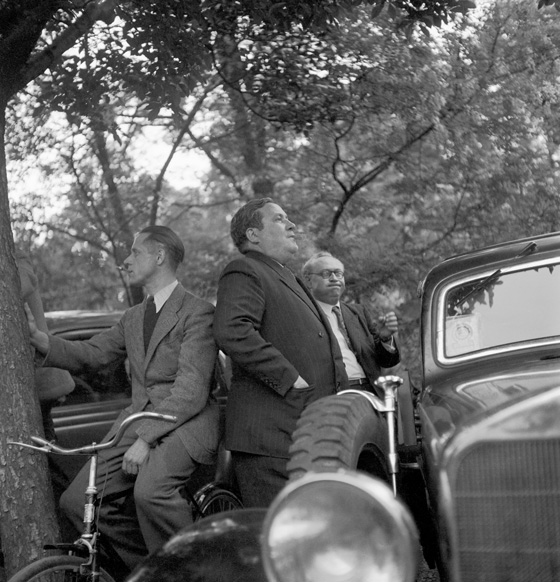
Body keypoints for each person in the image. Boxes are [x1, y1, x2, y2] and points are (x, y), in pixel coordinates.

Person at [26, 226, 220, 573]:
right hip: (138, 419)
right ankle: (149, 568)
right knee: (76, 502)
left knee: (151, 492)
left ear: (159, 256)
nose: (126, 261)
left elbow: (191, 392)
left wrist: (145, 439)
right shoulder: (133, 317)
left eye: (135, 252)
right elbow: (93, 353)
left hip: (185, 422)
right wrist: (43, 341)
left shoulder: (198, 312)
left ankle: (193, 571)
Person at [213, 198, 348, 508]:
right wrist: (290, 379)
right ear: (253, 235)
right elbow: (232, 330)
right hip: (272, 439)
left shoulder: (289, 276)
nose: (291, 224)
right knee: (283, 531)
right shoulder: (244, 269)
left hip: (306, 434)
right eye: (278, 219)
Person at [302, 251, 400, 396]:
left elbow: (387, 362)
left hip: (370, 391)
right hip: (332, 394)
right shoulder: (302, 315)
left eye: (338, 273)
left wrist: (385, 339)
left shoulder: (358, 313)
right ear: (308, 281)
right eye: (326, 274)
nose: (334, 278)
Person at [16, 253, 75, 441]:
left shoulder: (13, 257)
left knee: (40, 434)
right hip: (31, 379)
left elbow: (22, 283)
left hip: (40, 375)